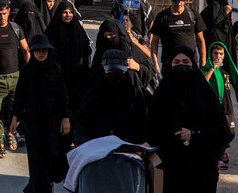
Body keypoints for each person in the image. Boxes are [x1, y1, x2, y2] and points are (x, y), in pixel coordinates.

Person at [149, 46, 228, 193]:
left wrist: (195, 135)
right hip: (170, 169)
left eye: (186, 62)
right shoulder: (162, 95)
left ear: (193, 63)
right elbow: (152, 129)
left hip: (201, 169)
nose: (181, 66)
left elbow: (220, 131)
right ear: (169, 64)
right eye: (176, 62)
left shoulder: (205, 94)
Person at [10, 34, 71, 193]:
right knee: (36, 157)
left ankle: (44, 183)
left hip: (53, 119)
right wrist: (15, 117)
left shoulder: (56, 69)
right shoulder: (27, 70)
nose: (41, 53)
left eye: (44, 50)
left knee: (52, 153)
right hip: (33, 120)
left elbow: (63, 95)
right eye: (37, 50)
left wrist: (65, 118)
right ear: (33, 52)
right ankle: (41, 188)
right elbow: (20, 95)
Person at [0, 0, 29, 157]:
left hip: (15, 76)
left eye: (4, 13)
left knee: (13, 110)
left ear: (8, 13)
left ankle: (9, 133)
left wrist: (29, 70)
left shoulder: (16, 29)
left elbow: (25, 49)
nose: (1, 17)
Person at [74, 49, 150, 145]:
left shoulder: (133, 95)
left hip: (127, 149)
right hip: (97, 148)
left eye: (119, 71)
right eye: (111, 70)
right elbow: (82, 125)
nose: (115, 74)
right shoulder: (93, 94)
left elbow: (141, 125)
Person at [44, 1, 91, 115]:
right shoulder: (52, 30)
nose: (67, 15)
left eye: (70, 12)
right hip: (58, 74)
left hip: (76, 74)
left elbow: (86, 51)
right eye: (65, 12)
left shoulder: (79, 31)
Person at [91, 18, 155, 94]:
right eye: (106, 35)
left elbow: (150, 70)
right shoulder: (100, 52)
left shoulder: (131, 50)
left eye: (111, 35)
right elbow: (93, 77)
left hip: (128, 95)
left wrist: (137, 66)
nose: (108, 38)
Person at [150, 0, 206, 70]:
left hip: (190, 63)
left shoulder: (193, 15)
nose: (179, 4)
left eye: (181, 1)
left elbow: (200, 40)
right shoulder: (162, 17)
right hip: (170, 64)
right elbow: (154, 42)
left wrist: (203, 63)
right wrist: (155, 64)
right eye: (176, 1)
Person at [201, 42, 238, 170]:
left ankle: (222, 150)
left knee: (231, 132)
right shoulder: (207, 69)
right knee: (220, 132)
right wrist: (212, 69)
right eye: (215, 53)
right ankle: (219, 154)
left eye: (221, 54)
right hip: (215, 108)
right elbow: (202, 84)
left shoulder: (226, 69)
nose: (218, 56)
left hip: (228, 106)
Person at [201, 0, 236, 64]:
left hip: (222, 43)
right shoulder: (215, 6)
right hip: (216, 44)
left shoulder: (220, 6)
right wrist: (225, 13)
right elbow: (213, 22)